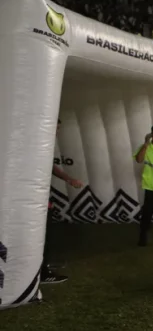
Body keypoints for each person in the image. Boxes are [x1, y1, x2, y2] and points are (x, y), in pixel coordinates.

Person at [44, 119, 83, 284]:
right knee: (43, 235)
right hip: (35, 200)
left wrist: (68, 179)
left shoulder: (45, 144)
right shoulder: (38, 144)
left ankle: (42, 265)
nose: (57, 132)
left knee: (47, 234)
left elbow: (49, 168)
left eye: (58, 129)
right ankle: (42, 273)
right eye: (55, 128)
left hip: (41, 196)